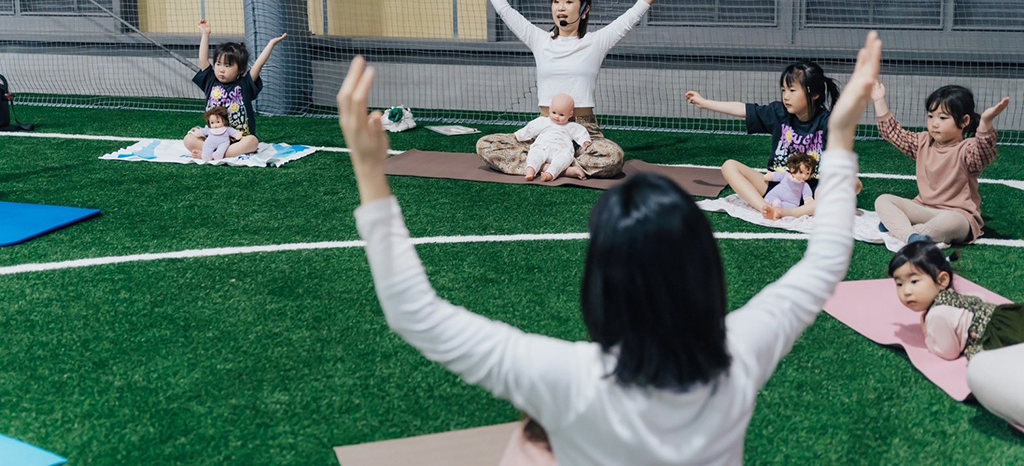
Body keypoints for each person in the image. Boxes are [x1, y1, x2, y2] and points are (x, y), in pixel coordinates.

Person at [335, 31, 881, 466]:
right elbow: (826, 259)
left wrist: (368, 167)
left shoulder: (569, 380)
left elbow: (414, 313)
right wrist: (843, 136)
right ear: (706, 274)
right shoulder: (738, 358)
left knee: (532, 443)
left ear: (599, 287)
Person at [473, 0, 676, 179]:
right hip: (546, 129)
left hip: (584, 131)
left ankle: (546, 165)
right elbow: (506, 11)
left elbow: (635, 12)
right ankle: (559, 167)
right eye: (556, 1)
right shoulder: (540, 40)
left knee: (614, 156)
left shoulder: (597, 42)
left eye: (568, 2)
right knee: (486, 144)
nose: (560, 7)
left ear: (584, 9)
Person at [888, 241, 1024, 429]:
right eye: (899, 284)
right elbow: (979, 298)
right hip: (1004, 317)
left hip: (994, 336)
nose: (906, 291)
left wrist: (928, 335)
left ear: (942, 280)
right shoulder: (953, 295)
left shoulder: (936, 315)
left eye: (914, 281)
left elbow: (948, 352)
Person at [685, 60, 840, 217]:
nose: (786, 96)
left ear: (814, 94)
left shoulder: (828, 122)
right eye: (784, 90)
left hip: (811, 191)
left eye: (792, 90)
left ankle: (789, 212)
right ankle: (765, 208)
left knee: (844, 186)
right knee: (729, 166)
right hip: (777, 187)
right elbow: (742, 109)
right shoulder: (778, 112)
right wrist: (704, 103)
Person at [872, 83, 1009, 245]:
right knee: (883, 200)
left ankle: (900, 229)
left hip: (957, 215)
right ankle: (911, 236)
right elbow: (893, 133)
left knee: (950, 222)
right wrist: (878, 99)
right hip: (923, 209)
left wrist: (986, 123)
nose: (934, 123)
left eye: (943, 118)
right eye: (931, 116)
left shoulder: (968, 149)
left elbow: (984, 151)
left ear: (964, 121)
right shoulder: (923, 142)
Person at [183, 20, 287, 159]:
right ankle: (218, 153)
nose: (221, 69)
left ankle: (210, 154)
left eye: (227, 66)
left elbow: (258, 65)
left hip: (237, 139)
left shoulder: (245, 85)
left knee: (252, 142)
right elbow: (203, 59)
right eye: (218, 64)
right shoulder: (211, 82)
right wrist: (205, 34)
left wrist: (271, 44)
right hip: (213, 138)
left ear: (241, 69)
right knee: (188, 140)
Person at [515, 93, 592, 182]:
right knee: (534, 154)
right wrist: (519, 135)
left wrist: (585, 140)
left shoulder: (571, 126)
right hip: (543, 146)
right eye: (554, 112)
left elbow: (581, 132)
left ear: (570, 114)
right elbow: (531, 128)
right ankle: (530, 171)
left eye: (561, 115)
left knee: (562, 160)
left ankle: (549, 175)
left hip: (561, 150)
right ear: (550, 109)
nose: (556, 116)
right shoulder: (544, 121)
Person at [762, 152, 816, 220]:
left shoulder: (804, 185)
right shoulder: (785, 175)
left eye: (807, 173)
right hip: (776, 195)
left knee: (791, 207)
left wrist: (809, 204)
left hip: (790, 203)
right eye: (801, 172)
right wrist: (768, 176)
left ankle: (777, 210)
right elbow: (774, 176)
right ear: (793, 169)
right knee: (772, 199)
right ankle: (774, 205)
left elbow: (807, 198)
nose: (804, 176)